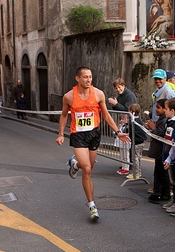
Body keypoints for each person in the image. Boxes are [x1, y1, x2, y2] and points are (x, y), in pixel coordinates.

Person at [55, 66, 130, 221]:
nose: (88, 79)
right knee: (87, 170)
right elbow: (63, 116)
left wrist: (117, 131)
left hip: (94, 134)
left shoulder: (98, 94)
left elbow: (106, 115)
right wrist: (61, 134)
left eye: (90, 77)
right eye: (85, 77)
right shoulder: (69, 96)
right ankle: (92, 205)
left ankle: (75, 165)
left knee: (88, 167)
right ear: (77, 78)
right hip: (78, 135)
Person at [145, 98, 170, 203]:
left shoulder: (164, 120)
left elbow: (160, 133)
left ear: (165, 109)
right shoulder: (162, 119)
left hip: (161, 151)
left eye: (159, 107)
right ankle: (163, 192)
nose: (156, 110)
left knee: (160, 172)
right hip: (160, 151)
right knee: (159, 172)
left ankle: (159, 193)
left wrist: (153, 128)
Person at [126, 103, 147, 179]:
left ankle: (136, 174)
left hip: (136, 142)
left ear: (131, 112)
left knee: (135, 159)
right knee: (138, 158)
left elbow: (129, 130)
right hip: (141, 142)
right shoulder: (139, 119)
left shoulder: (133, 121)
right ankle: (138, 173)